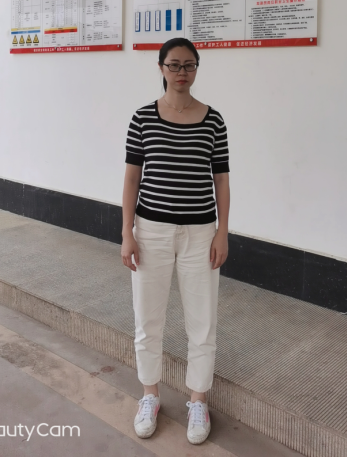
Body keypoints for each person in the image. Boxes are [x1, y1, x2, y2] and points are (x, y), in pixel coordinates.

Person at [121, 37, 230, 445]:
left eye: (189, 65)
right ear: (161, 68)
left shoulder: (213, 121)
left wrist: (222, 231)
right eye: (174, 65)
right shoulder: (142, 119)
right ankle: (149, 395)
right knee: (147, 320)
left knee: (202, 322)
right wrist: (127, 233)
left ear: (196, 69)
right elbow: (132, 179)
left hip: (200, 235)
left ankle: (198, 400)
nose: (181, 72)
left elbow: (221, 181)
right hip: (151, 232)